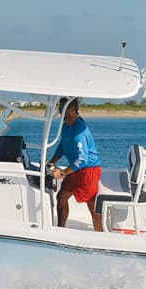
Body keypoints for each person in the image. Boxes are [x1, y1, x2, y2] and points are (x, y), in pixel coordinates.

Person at [47, 98, 103, 231]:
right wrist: (52, 161)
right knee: (61, 197)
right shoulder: (66, 126)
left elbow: (82, 160)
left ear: (71, 110)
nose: (59, 112)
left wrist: (62, 173)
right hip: (76, 168)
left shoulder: (79, 132)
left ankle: (100, 233)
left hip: (88, 170)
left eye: (61, 109)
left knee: (91, 204)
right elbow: (62, 145)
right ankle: (61, 229)